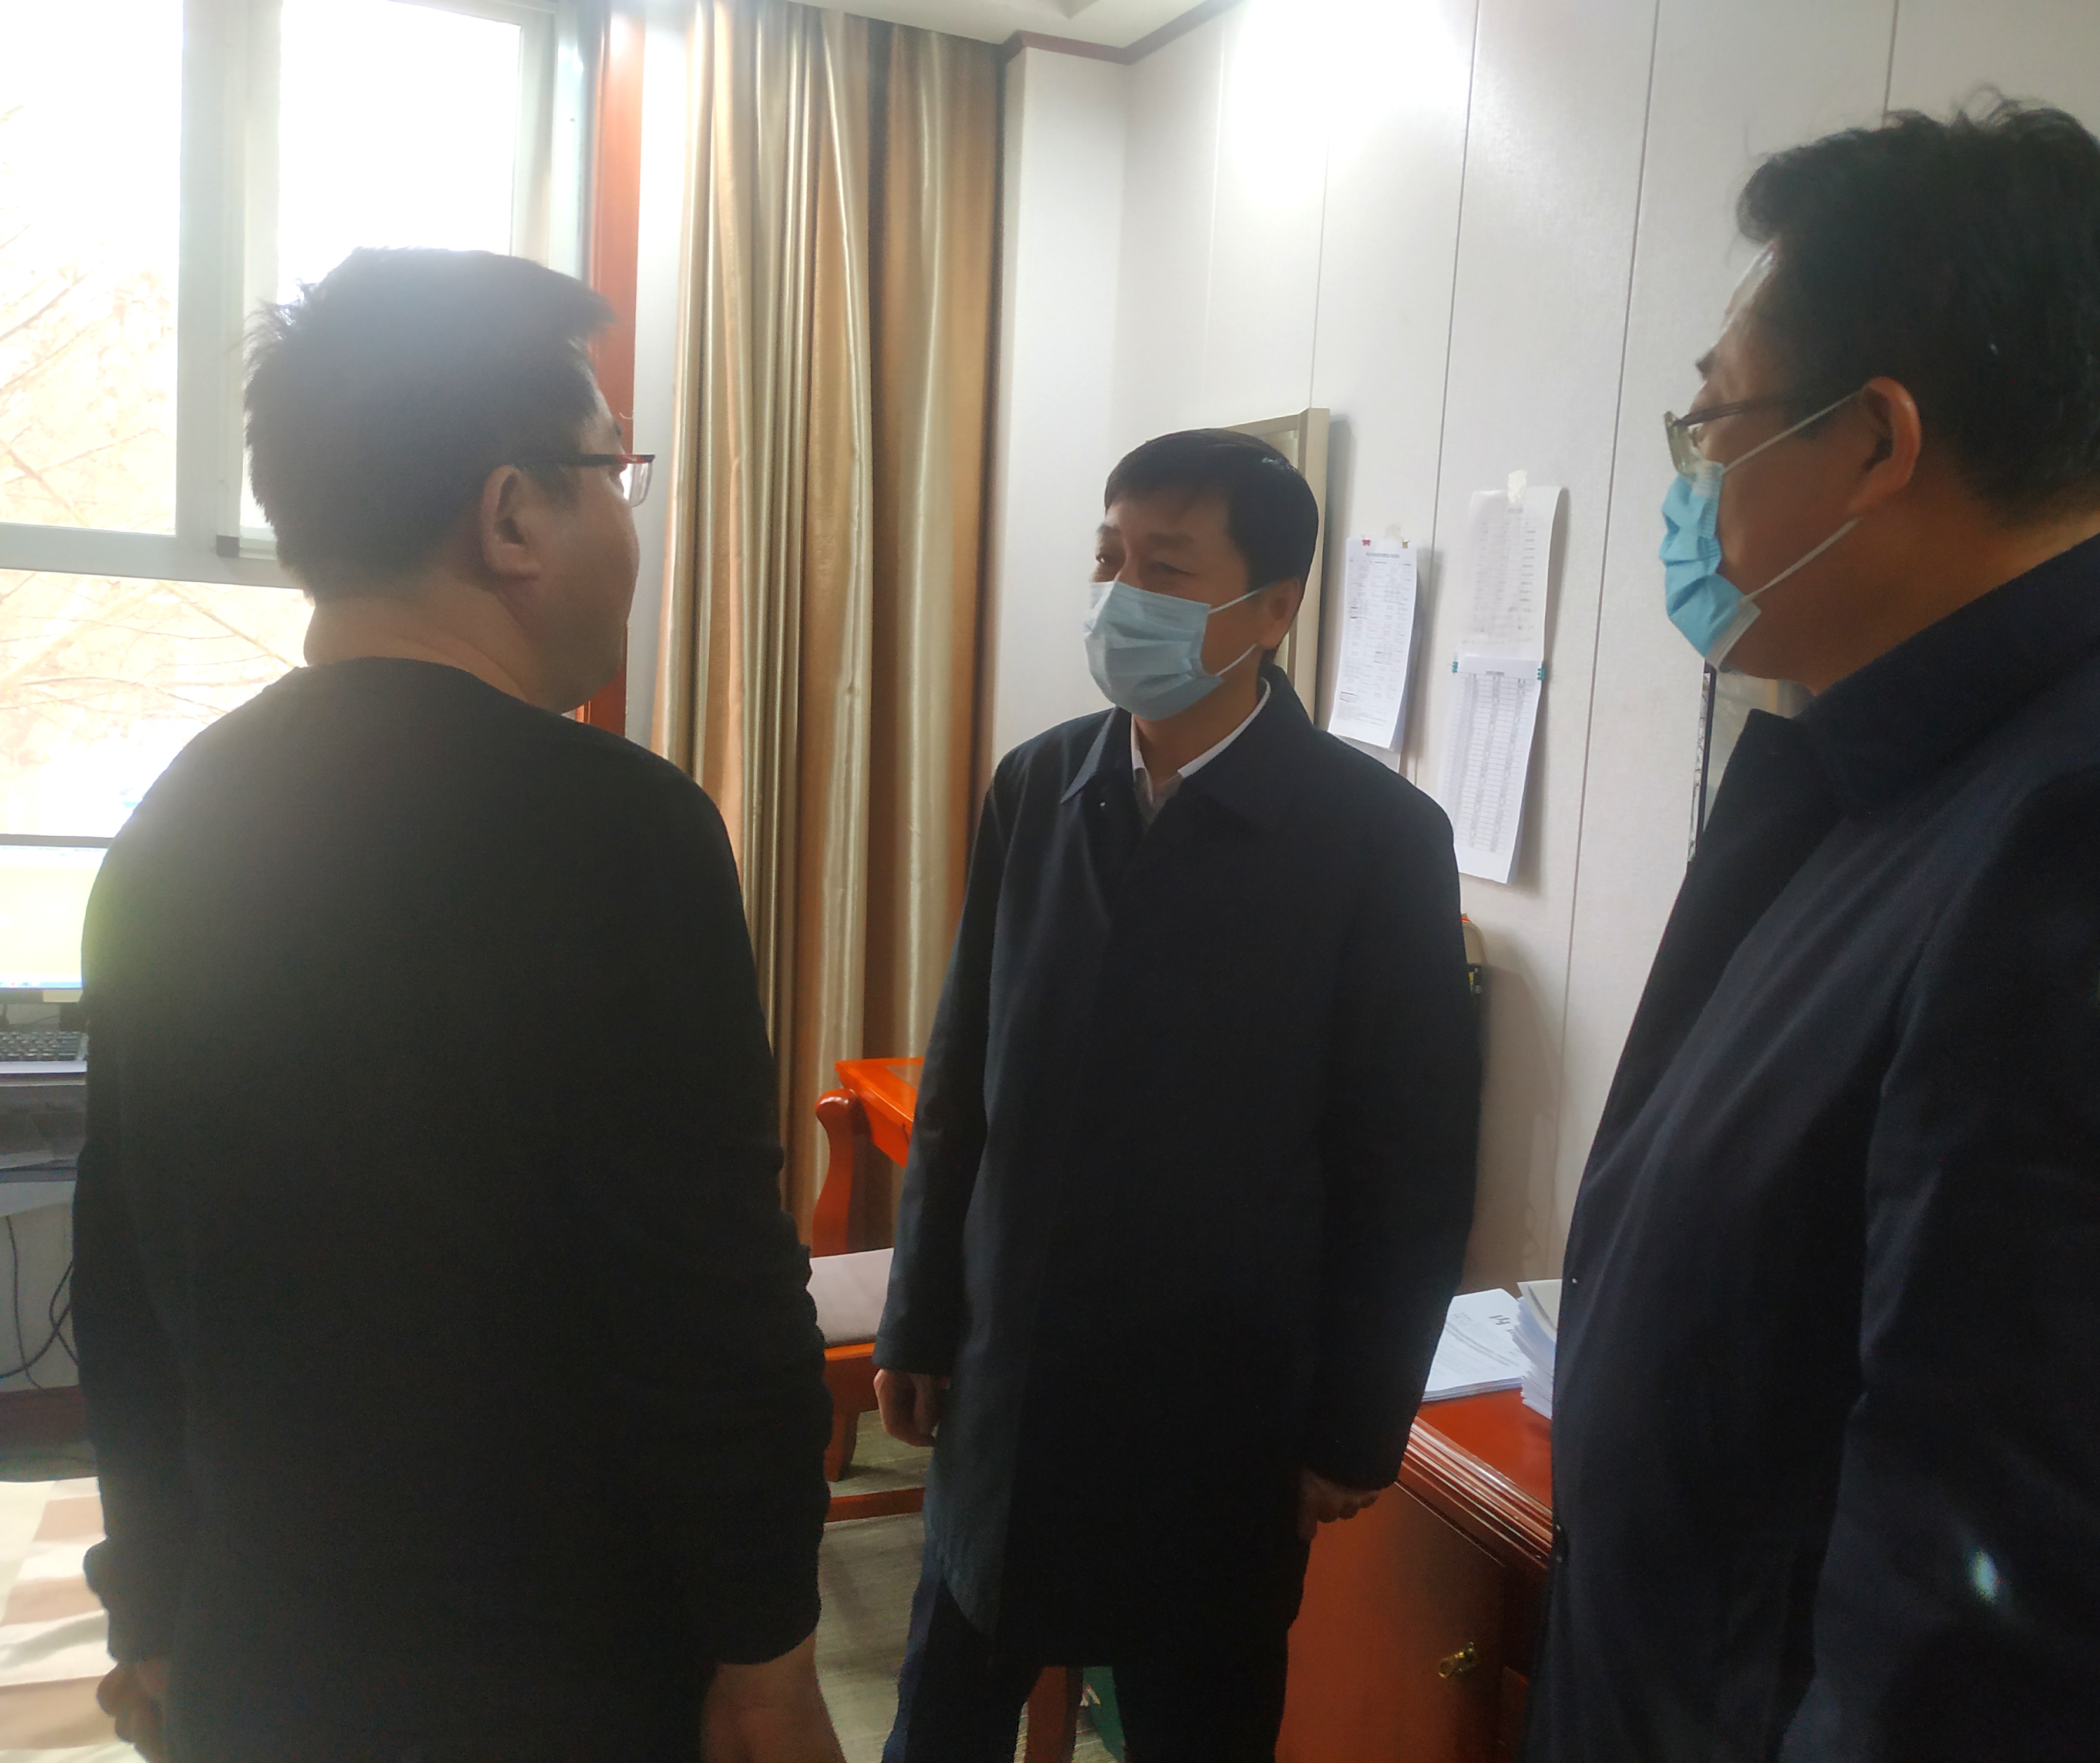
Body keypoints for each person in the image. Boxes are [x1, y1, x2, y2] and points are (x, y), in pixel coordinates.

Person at [1524, 100, 2100, 1762]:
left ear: (1876, 441)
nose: (1693, 486)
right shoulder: (1905, 770)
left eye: (1713, 422)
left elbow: (2028, 1657)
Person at [72, 248, 846, 1763]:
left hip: (264, 1651)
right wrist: (766, 1654)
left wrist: (150, 1609)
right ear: (510, 516)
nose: (627, 516)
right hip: (555, 1662)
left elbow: (122, 1270)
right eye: (611, 469)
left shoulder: (175, 818)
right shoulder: (618, 828)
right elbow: (704, 1293)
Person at [873, 430, 1482, 1761]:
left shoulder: (1375, 841)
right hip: (1011, 1377)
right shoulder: (1041, 784)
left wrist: (1357, 1425)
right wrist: (919, 1316)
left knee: (1198, 1721)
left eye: (1164, 567)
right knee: (943, 1715)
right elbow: (964, 1075)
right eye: (1108, 559)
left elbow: (1412, 1166)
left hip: (1217, 1411)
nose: (1119, 596)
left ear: (1273, 610)